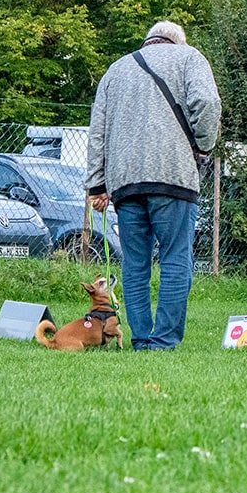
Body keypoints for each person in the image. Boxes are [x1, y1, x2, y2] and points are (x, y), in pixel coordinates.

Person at [87, 21, 221, 350]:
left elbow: (97, 130)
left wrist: (96, 185)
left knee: (135, 264)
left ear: (148, 41)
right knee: (175, 258)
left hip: (125, 181)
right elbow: (207, 103)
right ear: (177, 42)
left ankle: (142, 339)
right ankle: (163, 341)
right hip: (173, 174)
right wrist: (204, 146)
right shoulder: (189, 57)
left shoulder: (115, 70)